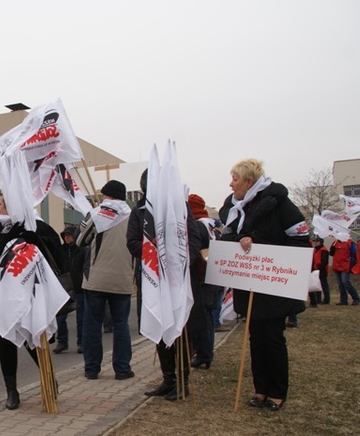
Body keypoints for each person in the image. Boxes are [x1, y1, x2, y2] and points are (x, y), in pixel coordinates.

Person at [218, 159, 309, 412]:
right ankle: (260, 389)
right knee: (255, 337)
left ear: (249, 182)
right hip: (248, 284)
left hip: (274, 285)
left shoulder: (280, 203)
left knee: (272, 338)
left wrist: (265, 252)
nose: (230, 184)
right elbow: (228, 237)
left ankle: (278, 393)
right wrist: (240, 239)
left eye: (234, 179)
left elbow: (301, 239)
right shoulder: (232, 207)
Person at [0, 190, 65, 410]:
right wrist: (5, 236)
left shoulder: (36, 225)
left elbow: (57, 254)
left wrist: (36, 239)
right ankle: (11, 391)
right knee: (5, 340)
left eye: (2, 204)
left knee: (33, 336)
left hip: (31, 295)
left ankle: (49, 381)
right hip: (3, 296)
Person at [128, 170, 204, 401]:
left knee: (179, 329)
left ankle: (182, 381)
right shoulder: (139, 212)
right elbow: (132, 242)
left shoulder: (180, 208)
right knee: (159, 329)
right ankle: (168, 378)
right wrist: (155, 255)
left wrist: (180, 262)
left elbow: (194, 239)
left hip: (177, 281)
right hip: (152, 280)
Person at [76, 179, 135, 381]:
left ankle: (92, 369)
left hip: (96, 278)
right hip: (124, 278)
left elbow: (80, 240)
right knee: (121, 324)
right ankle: (122, 369)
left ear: (107, 195)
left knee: (92, 324)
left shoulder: (97, 213)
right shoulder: (132, 215)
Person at [187, 193, 220, 370]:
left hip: (202, 276)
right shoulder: (210, 225)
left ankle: (204, 353)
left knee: (203, 317)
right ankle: (205, 353)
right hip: (212, 275)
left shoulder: (198, 226)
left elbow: (197, 249)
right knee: (208, 316)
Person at [53, 226, 86, 354]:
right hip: (64, 288)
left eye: (69, 235)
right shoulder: (60, 251)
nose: (67, 237)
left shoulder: (81, 251)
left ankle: (81, 343)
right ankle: (62, 342)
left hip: (79, 287)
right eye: (65, 235)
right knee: (60, 317)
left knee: (81, 318)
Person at [329, 238, 360, 305]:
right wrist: (333, 246)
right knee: (340, 283)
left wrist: (353, 264)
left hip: (345, 265)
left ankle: (356, 298)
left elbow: (354, 253)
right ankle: (343, 300)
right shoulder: (335, 242)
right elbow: (331, 253)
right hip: (337, 265)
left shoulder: (350, 242)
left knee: (345, 282)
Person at [311, 236, 330, 305]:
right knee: (317, 285)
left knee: (324, 285)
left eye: (317, 241)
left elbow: (325, 261)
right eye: (315, 241)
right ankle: (318, 300)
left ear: (320, 242)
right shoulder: (315, 250)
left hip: (322, 270)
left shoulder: (324, 250)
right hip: (315, 270)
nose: (315, 243)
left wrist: (319, 268)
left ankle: (326, 300)